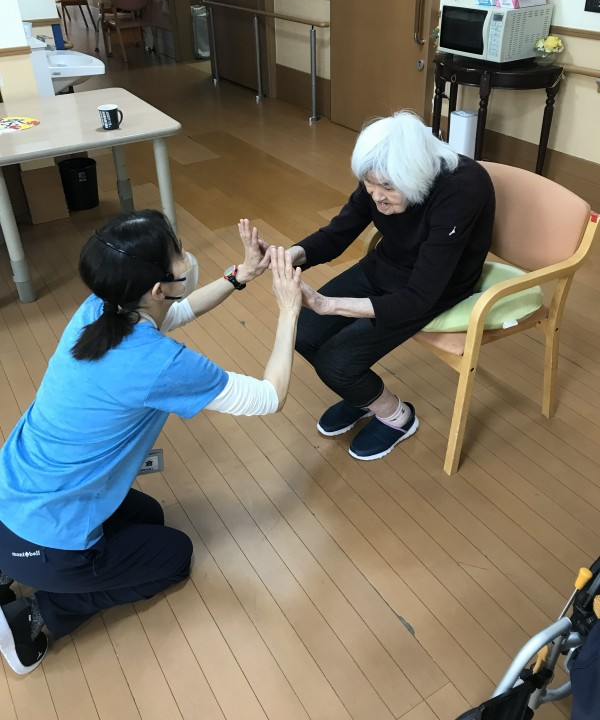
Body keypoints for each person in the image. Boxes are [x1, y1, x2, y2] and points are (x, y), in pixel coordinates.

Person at [0, 209, 301, 675]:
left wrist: (239, 275)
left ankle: (10, 567)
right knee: (174, 556)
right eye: (177, 252)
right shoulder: (161, 364)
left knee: (149, 517)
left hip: (11, 495)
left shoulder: (98, 309)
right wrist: (289, 310)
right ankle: (32, 616)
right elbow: (270, 397)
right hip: (46, 538)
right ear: (158, 287)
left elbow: (174, 312)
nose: (186, 257)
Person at [266, 110, 495, 461]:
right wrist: (285, 257)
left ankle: (397, 417)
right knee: (303, 331)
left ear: (417, 176)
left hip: (436, 285)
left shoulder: (462, 188)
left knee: (337, 363)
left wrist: (329, 304)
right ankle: (365, 397)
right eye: (369, 185)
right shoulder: (381, 170)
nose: (377, 196)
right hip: (386, 266)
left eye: (387, 188)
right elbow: (337, 233)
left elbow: (419, 296)